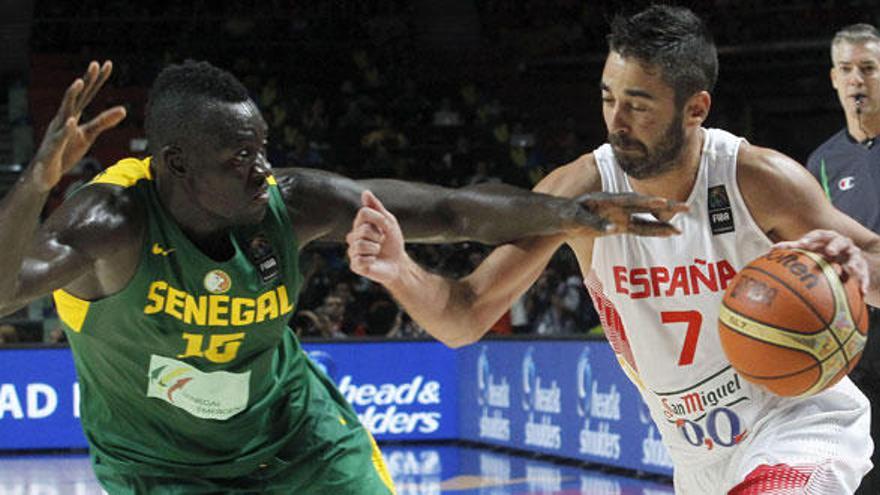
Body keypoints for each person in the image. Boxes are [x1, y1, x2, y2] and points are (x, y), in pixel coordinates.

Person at [0, 60, 683, 494]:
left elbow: (449, 209)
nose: (260, 169)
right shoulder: (111, 222)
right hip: (160, 467)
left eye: (261, 149)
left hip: (296, 437)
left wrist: (572, 213)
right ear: (175, 164)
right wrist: (37, 181)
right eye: (239, 158)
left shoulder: (289, 204)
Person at [347, 6, 880, 494]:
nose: (617, 122)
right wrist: (398, 270)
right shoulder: (579, 191)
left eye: (639, 105)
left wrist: (856, 267)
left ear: (695, 109)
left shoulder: (756, 178)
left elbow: (871, 261)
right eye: (608, 98)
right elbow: (463, 316)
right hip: (695, 462)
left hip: (801, 424)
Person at [806, 23, 880, 495]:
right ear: (833, 79)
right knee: (863, 462)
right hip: (857, 328)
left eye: (869, 69)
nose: (857, 80)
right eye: (847, 70)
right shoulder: (822, 163)